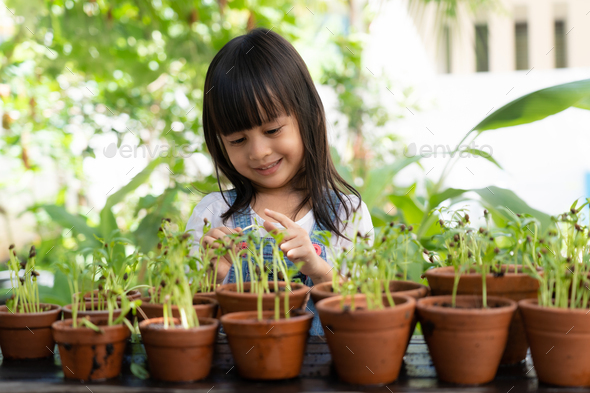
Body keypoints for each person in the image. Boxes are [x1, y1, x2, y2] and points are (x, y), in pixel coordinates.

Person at [186, 28, 373, 335]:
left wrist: (317, 267)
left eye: (272, 130)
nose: (258, 152)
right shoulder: (213, 213)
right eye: (237, 139)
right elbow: (187, 317)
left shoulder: (346, 213)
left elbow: (367, 312)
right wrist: (213, 275)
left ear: (308, 117)